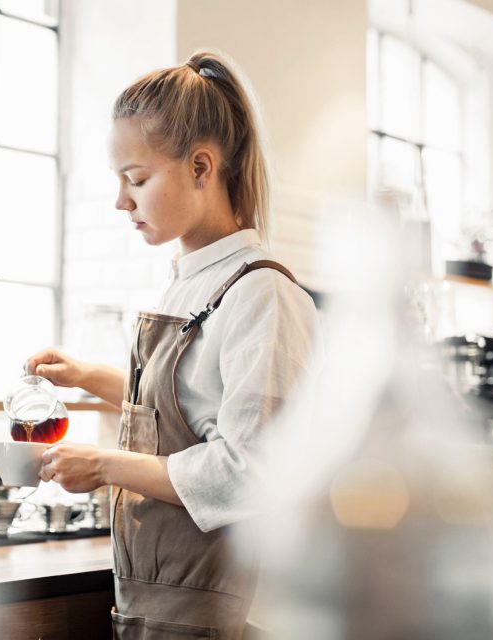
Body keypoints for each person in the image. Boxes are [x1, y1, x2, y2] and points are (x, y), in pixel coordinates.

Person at [26, 50, 318, 639]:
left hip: (219, 609)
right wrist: (87, 376)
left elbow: (248, 469)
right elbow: (189, 407)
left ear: (201, 168)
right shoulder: (193, 278)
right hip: (155, 599)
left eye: (136, 179)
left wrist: (106, 465)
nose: (121, 202)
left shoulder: (263, 293)